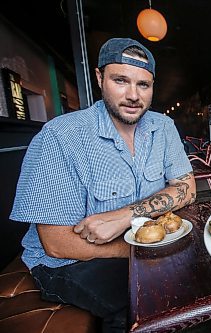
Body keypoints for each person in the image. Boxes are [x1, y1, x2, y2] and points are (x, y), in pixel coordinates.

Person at [10, 38, 196, 332]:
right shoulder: (60, 136)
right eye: (120, 80)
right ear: (100, 78)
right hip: (70, 261)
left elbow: (187, 187)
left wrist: (126, 216)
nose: (133, 95)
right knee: (138, 301)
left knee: (193, 278)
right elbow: (57, 243)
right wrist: (145, 249)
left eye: (143, 85)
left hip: (142, 243)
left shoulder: (163, 127)